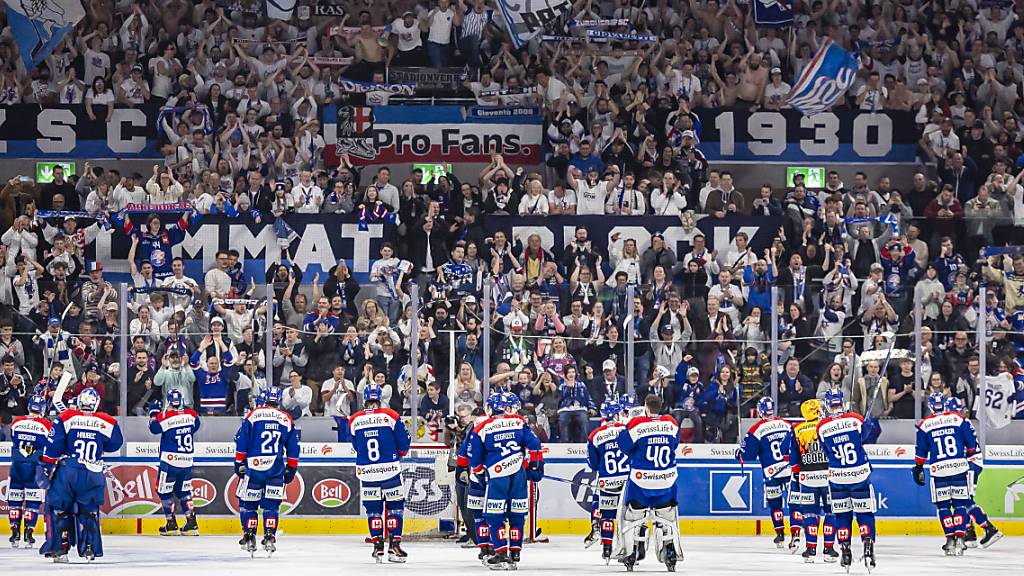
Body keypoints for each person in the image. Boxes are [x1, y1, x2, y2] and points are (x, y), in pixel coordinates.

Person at [38, 388, 124, 562]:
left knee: (60, 509)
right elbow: (115, 443)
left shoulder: (66, 417)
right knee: (89, 512)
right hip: (93, 473)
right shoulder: (107, 421)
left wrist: (45, 467)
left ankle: (60, 549)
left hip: (68, 469)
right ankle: (89, 549)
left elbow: (53, 445)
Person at [469, 392, 543, 569]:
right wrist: (533, 466)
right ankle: (515, 553)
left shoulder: (481, 428)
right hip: (518, 475)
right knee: (517, 516)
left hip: (497, 476)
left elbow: (475, 460)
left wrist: (480, 474)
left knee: (494, 516)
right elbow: (535, 445)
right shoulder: (518, 421)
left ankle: (501, 553)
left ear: (490, 408)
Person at [616, 394, 682, 572]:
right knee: (666, 517)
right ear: (661, 406)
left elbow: (623, 446)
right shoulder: (671, 423)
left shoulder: (637, 424)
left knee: (633, 516)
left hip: (641, 482)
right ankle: (669, 549)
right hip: (666, 481)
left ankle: (633, 550)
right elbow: (674, 444)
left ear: (645, 406)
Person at [233, 387, 300, 556]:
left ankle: (249, 535)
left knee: (248, 506)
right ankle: (270, 535)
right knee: (271, 506)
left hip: (254, 468)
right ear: (278, 400)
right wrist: (291, 468)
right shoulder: (286, 419)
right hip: (275, 469)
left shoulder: (253, 415)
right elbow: (293, 448)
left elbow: (241, 442)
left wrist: (238, 462)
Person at [912, 392, 980, 555]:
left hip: (939, 470)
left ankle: (950, 540)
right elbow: (971, 446)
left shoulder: (924, 424)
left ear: (930, 406)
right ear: (944, 405)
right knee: (960, 504)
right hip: (959, 468)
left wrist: (918, 468)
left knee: (943, 507)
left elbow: (921, 453)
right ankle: (961, 539)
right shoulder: (958, 419)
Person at [349, 385, 412, 563]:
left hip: (367, 473)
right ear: (380, 399)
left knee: (373, 510)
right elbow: (404, 443)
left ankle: (377, 546)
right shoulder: (390, 416)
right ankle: (394, 545)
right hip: (390, 471)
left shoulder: (354, 419)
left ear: (365, 400)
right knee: (395, 508)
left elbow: (355, 445)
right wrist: (397, 454)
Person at [817, 389, 876, 570]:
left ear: (827, 404)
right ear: (842, 402)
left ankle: (845, 549)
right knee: (864, 513)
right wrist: (867, 422)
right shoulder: (855, 419)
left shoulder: (822, 427)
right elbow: (867, 438)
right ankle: (867, 543)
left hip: (837, 476)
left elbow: (825, 451)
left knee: (843, 515)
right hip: (859, 473)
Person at [736, 397, 794, 550]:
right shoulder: (787, 424)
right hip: (789, 470)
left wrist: (739, 454)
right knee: (795, 503)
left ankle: (780, 533)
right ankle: (796, 535)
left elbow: (748, 455)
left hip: (771, 473)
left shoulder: (757, 429)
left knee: (775, 505)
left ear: (761, 411)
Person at [946, 396, 1002, 548]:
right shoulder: (961, 422)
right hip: (967, 464)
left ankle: (989, 528)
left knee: (965, 499)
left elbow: (964, 448)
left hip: (970, 464)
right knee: (961, 498)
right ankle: (970, 532)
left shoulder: (959, 424)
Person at [790, 399, 838, 562]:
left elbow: (793, 458)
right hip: (828, 478)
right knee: (831, 512)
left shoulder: (797, 430)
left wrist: (796, 475)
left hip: (807, 479)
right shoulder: (826, 425)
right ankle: (829, 549)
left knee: (810, 513)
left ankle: (810, 549)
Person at [148, 389, 201, 536]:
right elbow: (196, 426)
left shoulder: (165, 416)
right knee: (185, 492)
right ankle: (191, 523)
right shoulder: (191, 414)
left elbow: (153, 428)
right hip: (187, 461)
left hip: (169, 461)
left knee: (164, 491)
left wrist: (153, 413)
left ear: (169, 403)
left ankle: (171, 523)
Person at [585, 397, 629, 562]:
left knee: (608, 515)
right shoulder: (626, 429)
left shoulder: (595, 435)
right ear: (617, 414)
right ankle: (633, 548)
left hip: (607, 481)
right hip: (627, 481)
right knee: (630, 515)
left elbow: (594, 465)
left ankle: (606, 548)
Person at [7, 395, 50, 548]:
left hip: (17, 465)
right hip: (35, 466)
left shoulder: (17, 422)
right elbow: (49, 445)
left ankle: (14, 532)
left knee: (15, 499)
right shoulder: (46, 424)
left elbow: (13, 437)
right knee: (32, 500)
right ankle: (28, 533)